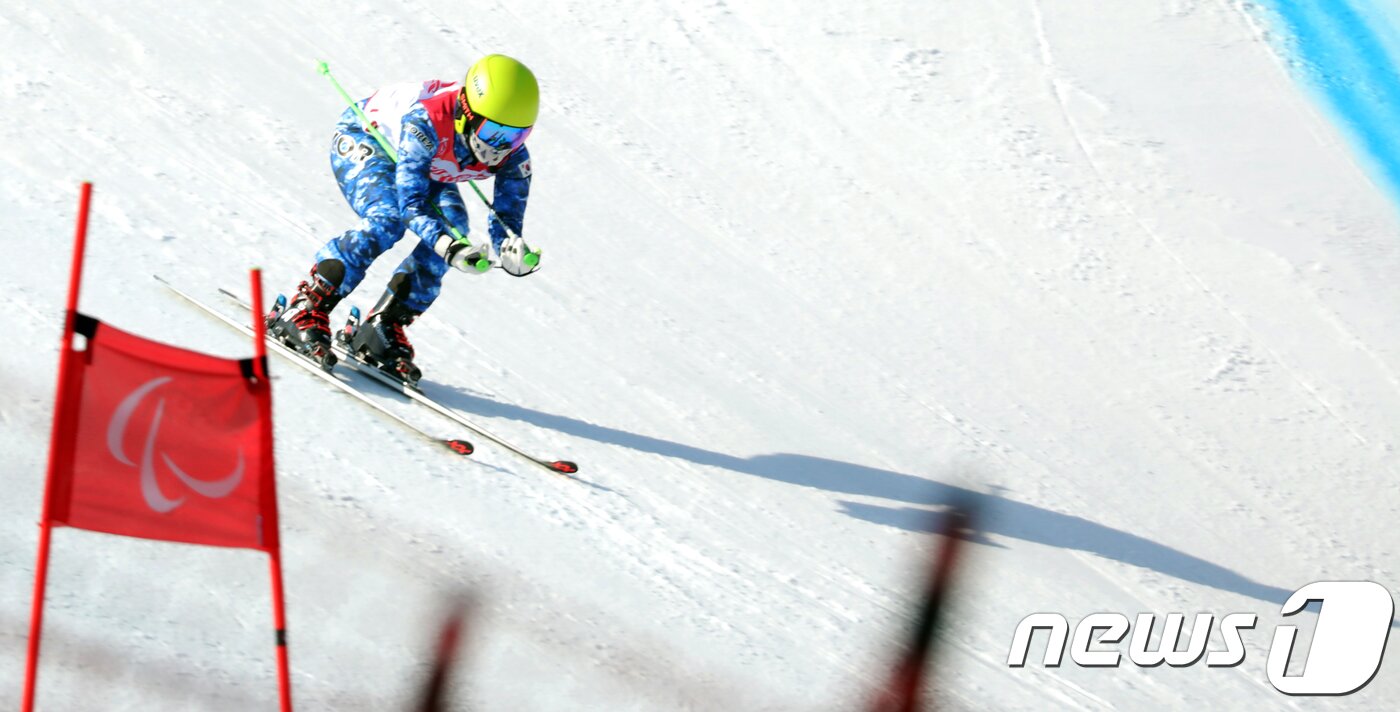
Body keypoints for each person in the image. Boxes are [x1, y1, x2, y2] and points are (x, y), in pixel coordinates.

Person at [268, 54, 541, 385]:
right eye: (494, 131)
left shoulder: (513, 157)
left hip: (425, 164)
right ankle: (308, 303)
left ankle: (384, 324)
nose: (501, 146)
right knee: (389, 218)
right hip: (367, 137)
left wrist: (511, 250)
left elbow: (506, 218)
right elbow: (410, 203)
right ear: (468, 113)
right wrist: (447, 247)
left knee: (456, 227)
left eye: (516, 136)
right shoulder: (425, 120)